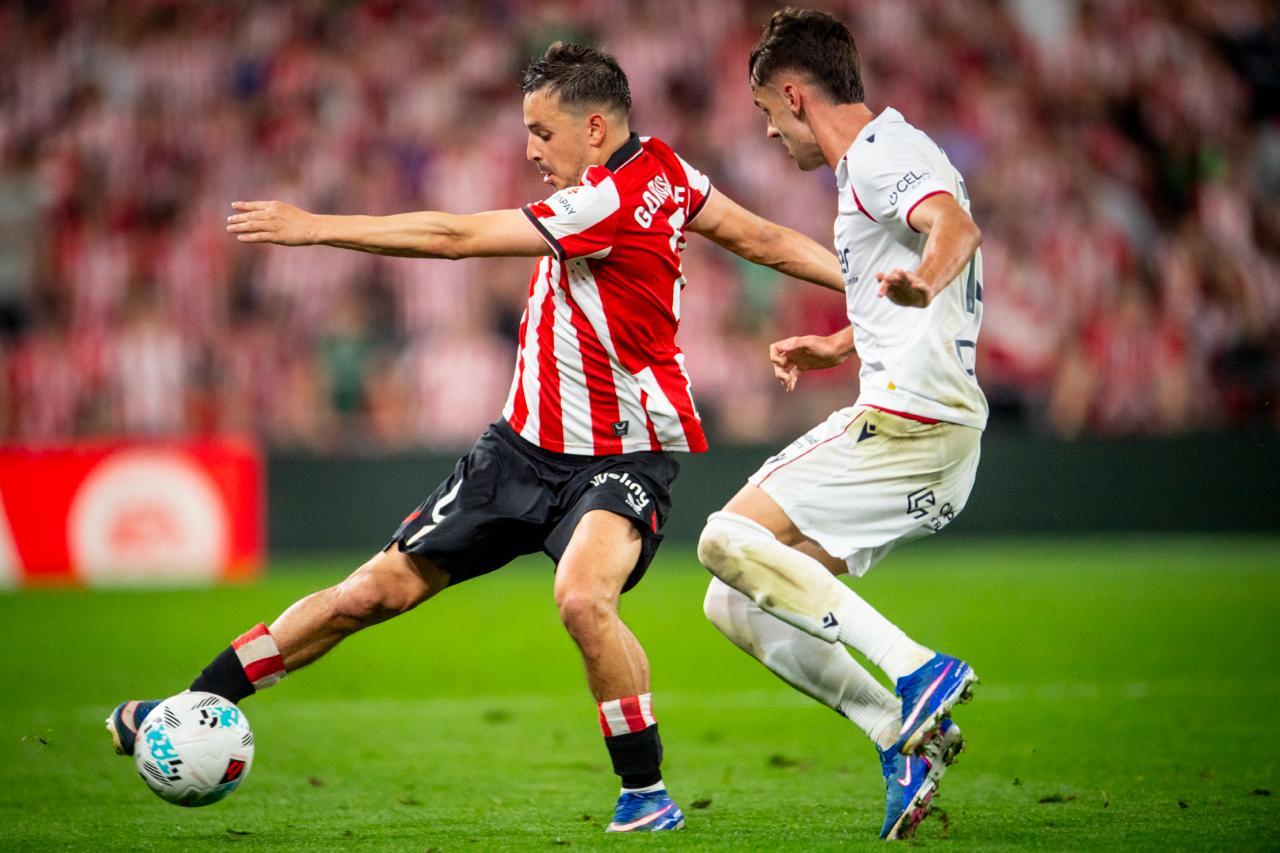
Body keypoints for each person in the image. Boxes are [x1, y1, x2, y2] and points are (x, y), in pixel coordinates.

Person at [106, 42, 846, 833]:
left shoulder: (607, 202)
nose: (530, 149)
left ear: (595, 128)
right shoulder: (665, 171)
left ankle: (645, 792)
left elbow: (456, 237)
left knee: (582, 598)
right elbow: (760, 238)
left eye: (542, 131)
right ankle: (194, 703)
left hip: (620, 458)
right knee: (368, 593)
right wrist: (862, 282)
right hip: (516, 453)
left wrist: (315, 226)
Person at [696, 9, 987, 841]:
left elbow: (955, 233)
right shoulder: (893, 156)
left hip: (909, 424)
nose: (768, 130)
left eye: (765, 113)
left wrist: (924, 282)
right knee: (735, 600)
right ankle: (900, 739)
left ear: (794, 93)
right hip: (936, 439)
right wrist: (839, 340)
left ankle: (917, 670)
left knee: (723, 538)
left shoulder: (878, 155)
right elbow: (917, 279)